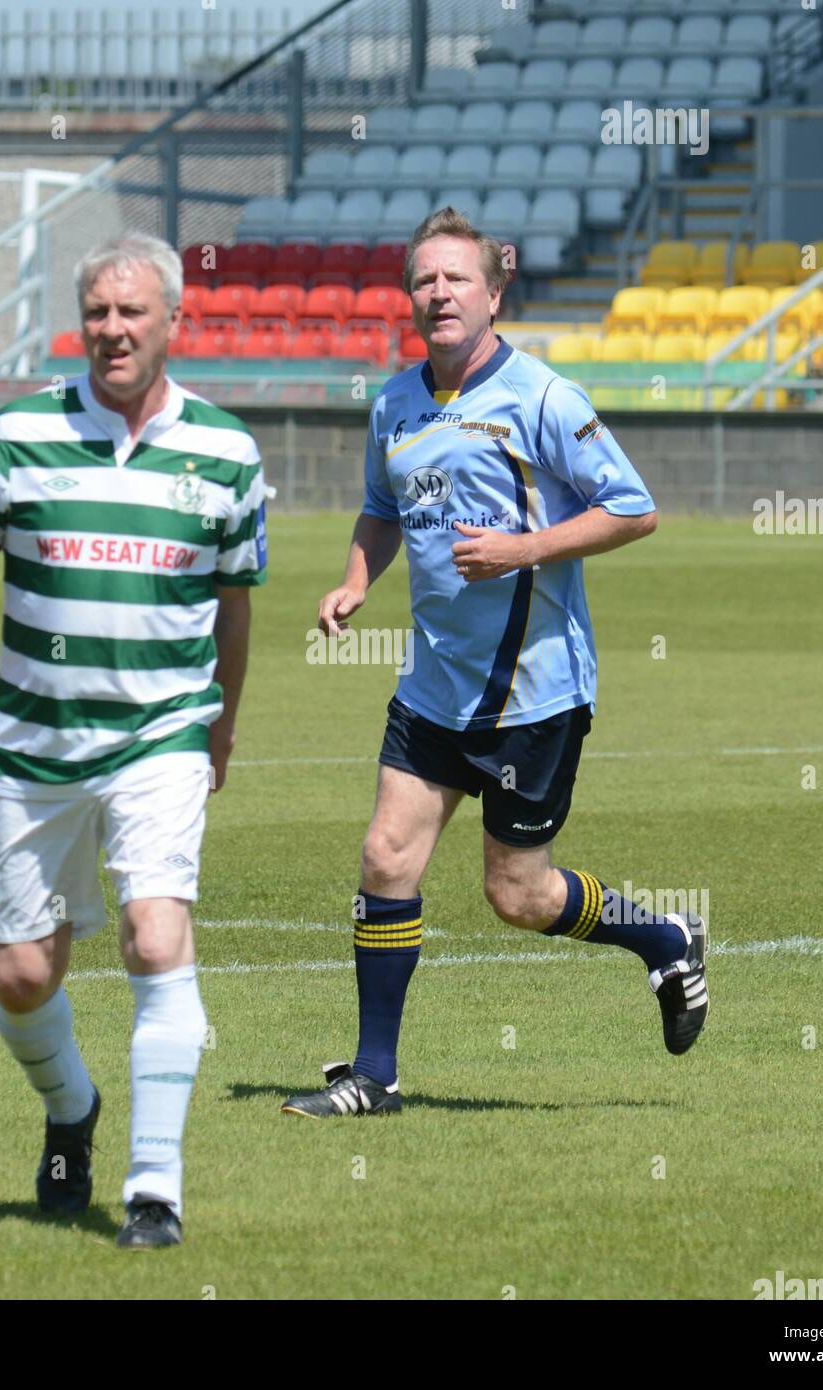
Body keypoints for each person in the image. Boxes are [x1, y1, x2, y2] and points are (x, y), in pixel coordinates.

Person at [282, 207, 706, 1119]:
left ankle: (664, 937)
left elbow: (633, 509)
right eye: (424, 281)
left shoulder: (544, 398)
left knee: (516, 893)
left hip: (533, 693)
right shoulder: (395, 402)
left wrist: (526, 549)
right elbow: (379, 507)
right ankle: (375, 1075)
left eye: (456, 279)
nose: (439, 294)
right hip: (432, 683)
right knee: (386, 854)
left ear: (494, 291)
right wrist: (354, 580)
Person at [0, 233, 267, 1243]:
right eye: (96, 311)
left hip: (161, 739)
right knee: (23, 973)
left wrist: (221, 721)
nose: (111, 329)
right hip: (34, 748)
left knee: (156, 934)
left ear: (172, 322)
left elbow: (234, 603)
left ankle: (155, 1187)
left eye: (131, 311)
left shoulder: (227, 452)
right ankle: (72, 1108)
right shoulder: (17, 437)